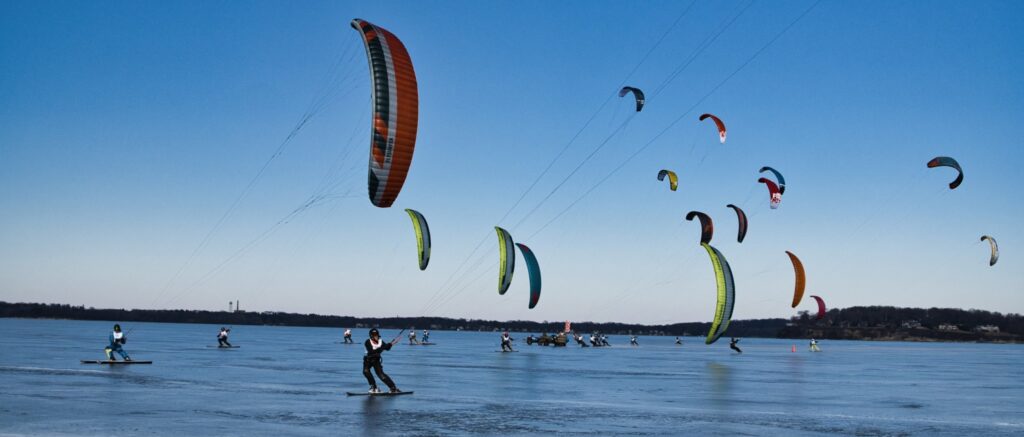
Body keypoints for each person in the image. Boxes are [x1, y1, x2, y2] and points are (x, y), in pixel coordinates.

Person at [363, 328, 400, 393]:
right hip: (368, 360)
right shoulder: (367, 342)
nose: (377, 336)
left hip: (376, 360)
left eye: (377, 335)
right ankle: (374, 387)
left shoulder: (380, 341)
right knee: (366, 371)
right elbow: (372, 351)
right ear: (371, 336)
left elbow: (387, 348)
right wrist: (383, 347)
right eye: (375, 335)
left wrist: (392, 343)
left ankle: (393, 388)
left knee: (381, 375)